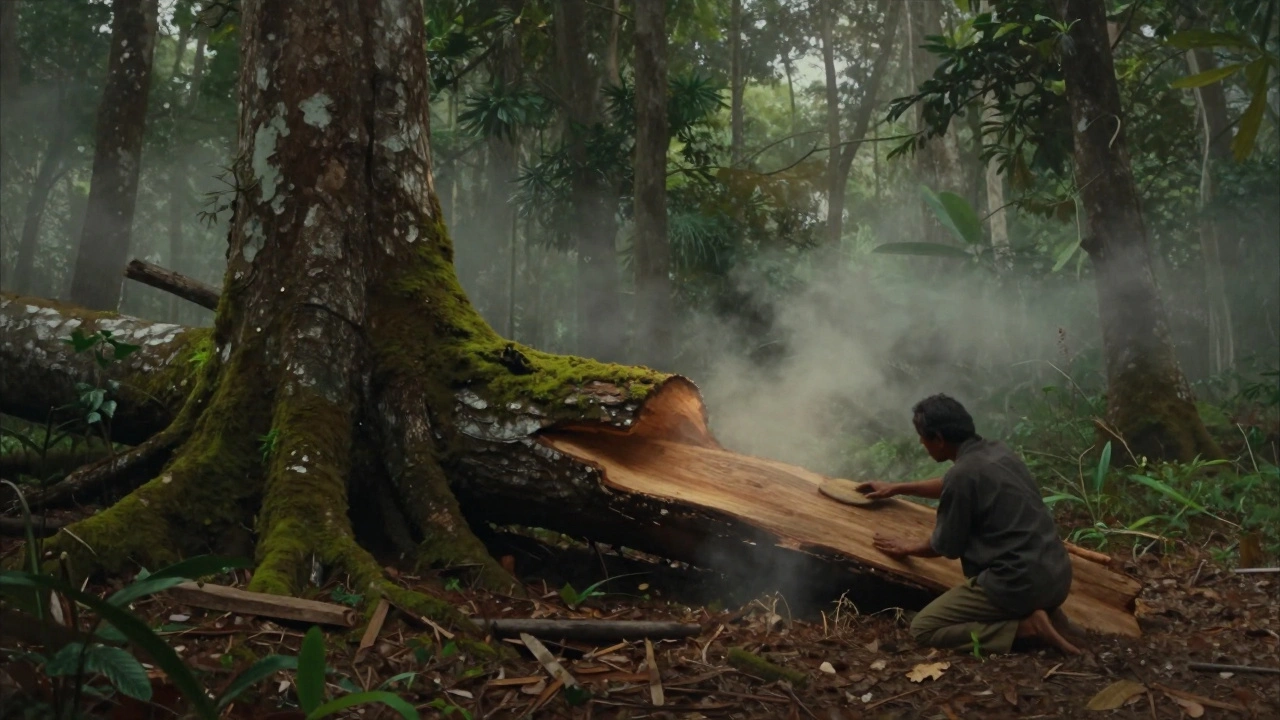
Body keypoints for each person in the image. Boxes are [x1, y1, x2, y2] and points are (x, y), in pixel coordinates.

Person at [858, 394, 1082, 656]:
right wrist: (897, 488)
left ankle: (1027, 628)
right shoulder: (998, 452)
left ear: (939, 439)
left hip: (1017, 585)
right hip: (1057, 576)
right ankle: (1052, 615)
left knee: (924, 628)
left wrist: (906, 548)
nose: (921, 442)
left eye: (923, 436)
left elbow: (946, 546)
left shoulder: (962, 475)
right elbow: (953, 483)